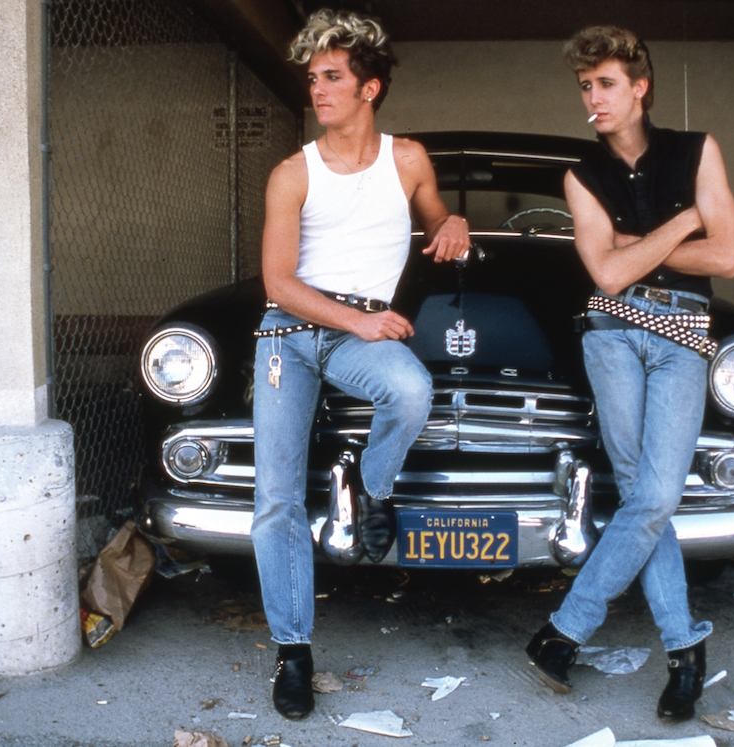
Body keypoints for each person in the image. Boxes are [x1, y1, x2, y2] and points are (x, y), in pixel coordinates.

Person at [251, 8, 470, 721]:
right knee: (277, 499)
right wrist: (361, 320)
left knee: (411, 388)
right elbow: (279, 284)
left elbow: (435, 218)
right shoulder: (293, 172)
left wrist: (452, 223)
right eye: (313, 78)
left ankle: (375, 486)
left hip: (354, 333)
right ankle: (293, 651)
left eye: (333, 77)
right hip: (290, 332)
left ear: (369, 88)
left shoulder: (407, 160)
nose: (318, 90)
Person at [525, 26, 734, 721]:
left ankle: (563, 631)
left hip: (681, 335)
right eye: (585, 87)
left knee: (652, 497)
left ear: (640, 87)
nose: (593, 99)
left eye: (607, 84)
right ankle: (685, 654)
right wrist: (683, 226)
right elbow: (608, 272)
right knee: (649, 499)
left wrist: (635, 244)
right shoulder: (582, 175)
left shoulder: (697, 150)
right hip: (612, 334)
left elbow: (729, 256)